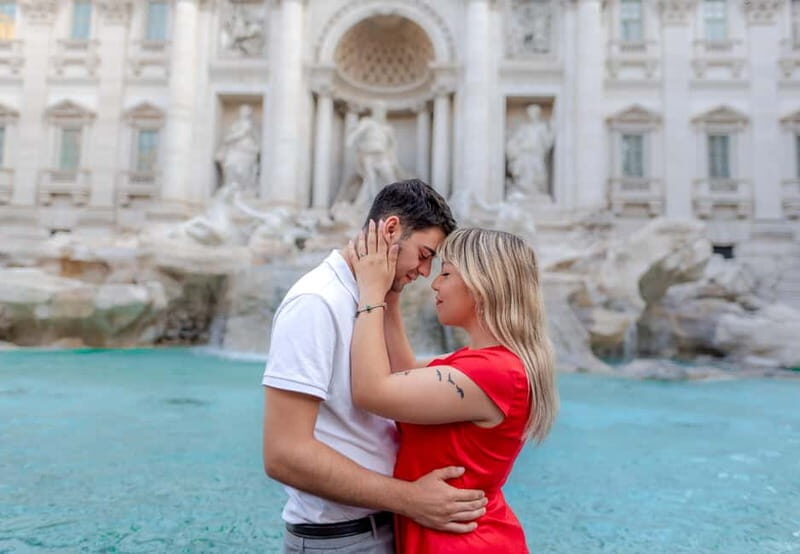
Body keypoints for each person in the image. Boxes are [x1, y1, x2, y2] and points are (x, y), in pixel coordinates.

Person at [262, 180, 487, 553]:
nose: (426, 271)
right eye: (424, 254)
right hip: (342, 540)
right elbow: (284, 454)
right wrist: (411, 499)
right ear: (392, 230)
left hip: (382, 527)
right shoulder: (316, 302)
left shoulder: (372, 299)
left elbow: (400, 388)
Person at [346, 223, 559, 553]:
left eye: (446, 273)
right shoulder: (483, 362)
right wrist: (392, 291)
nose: (434, 283)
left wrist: (370, 294)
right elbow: (403, 376)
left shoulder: (494, 372)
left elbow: (371, 392)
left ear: (481, 286)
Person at [347, 101, 406, 206]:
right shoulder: (367, 122)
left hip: (382, 156)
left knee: (390, 178)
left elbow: (392, 146)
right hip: (368, 155)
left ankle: (397, 203)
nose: (380, 112)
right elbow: (357, 132)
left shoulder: (387, 128)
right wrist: (351, 140)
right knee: (370, 180)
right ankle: (373, 205)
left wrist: (394, 162)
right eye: (378, 109)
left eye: (382, 110)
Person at [506, 104, 553, 199]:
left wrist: (552, 130)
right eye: (530, 112)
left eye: (534, 112)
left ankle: (537, 191)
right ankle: (524, 191)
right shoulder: (524, 128)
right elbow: (515, 140)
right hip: (525, 154)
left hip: (537, 154)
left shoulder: (542, 127)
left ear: (538, 114)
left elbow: (547, 142)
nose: (532, 114)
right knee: (525, 175)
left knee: (539, 173)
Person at [216, 105, 260, 192]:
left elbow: (254, 139)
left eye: (246, 111)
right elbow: (230, 136)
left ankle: (243, 189)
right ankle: (231, 186)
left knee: (243, 170)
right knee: (230, 165)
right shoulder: (236, 124)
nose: (244, 113)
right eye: (243, 111)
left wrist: (230, 138)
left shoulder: (250, 125)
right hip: (234, 149)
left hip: (246, 150)